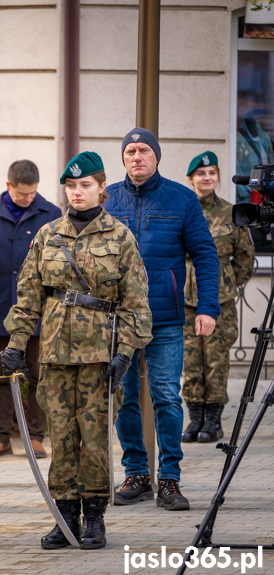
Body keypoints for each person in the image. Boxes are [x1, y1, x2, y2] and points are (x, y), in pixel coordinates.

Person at [3, 151, 152, 550]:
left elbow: (136, 302)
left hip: (99, 354)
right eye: (71, 186)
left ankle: (95, 517)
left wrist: (124, 353)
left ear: (102, 188)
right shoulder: (49, 235)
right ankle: (65, 514)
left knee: (95, 437)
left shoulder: (120, 237)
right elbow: (28, 294)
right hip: (53, 352)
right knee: (62, 436)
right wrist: (17, 343)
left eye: (85, 185)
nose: (77, 192)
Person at [104, 128, 221, 511]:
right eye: (130, 151)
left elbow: (205, 254)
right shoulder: (108, 199)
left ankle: (169, 479)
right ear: (123, 158)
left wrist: (207, 307)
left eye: (144, 151)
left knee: (167, 396)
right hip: (118, 320)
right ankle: (137, 474)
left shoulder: (182, 198)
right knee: (125, 399)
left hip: (165, 318)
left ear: (156, 156)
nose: (137, 157)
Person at [0, 159, 62, 461]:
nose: (29, 199)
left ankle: (35, 437)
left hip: (37, 312)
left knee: (38, 374)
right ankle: (0, 438)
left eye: (33, 193)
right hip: (0, 310)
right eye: (23, 193)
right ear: (8, 185)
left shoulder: (51, 214)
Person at [181, 152, 254, 443]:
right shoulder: (182, 210)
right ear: (191, 179)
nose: (207, 177)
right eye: (201, 173)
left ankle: (213, 420)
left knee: (216, 359)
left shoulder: (231, 213)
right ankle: (194, 418)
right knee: (190, 359)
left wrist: (228, 283)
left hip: (219, 302)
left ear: (218, 177)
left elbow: (245, 258)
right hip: (185, 300)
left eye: (212, 172)